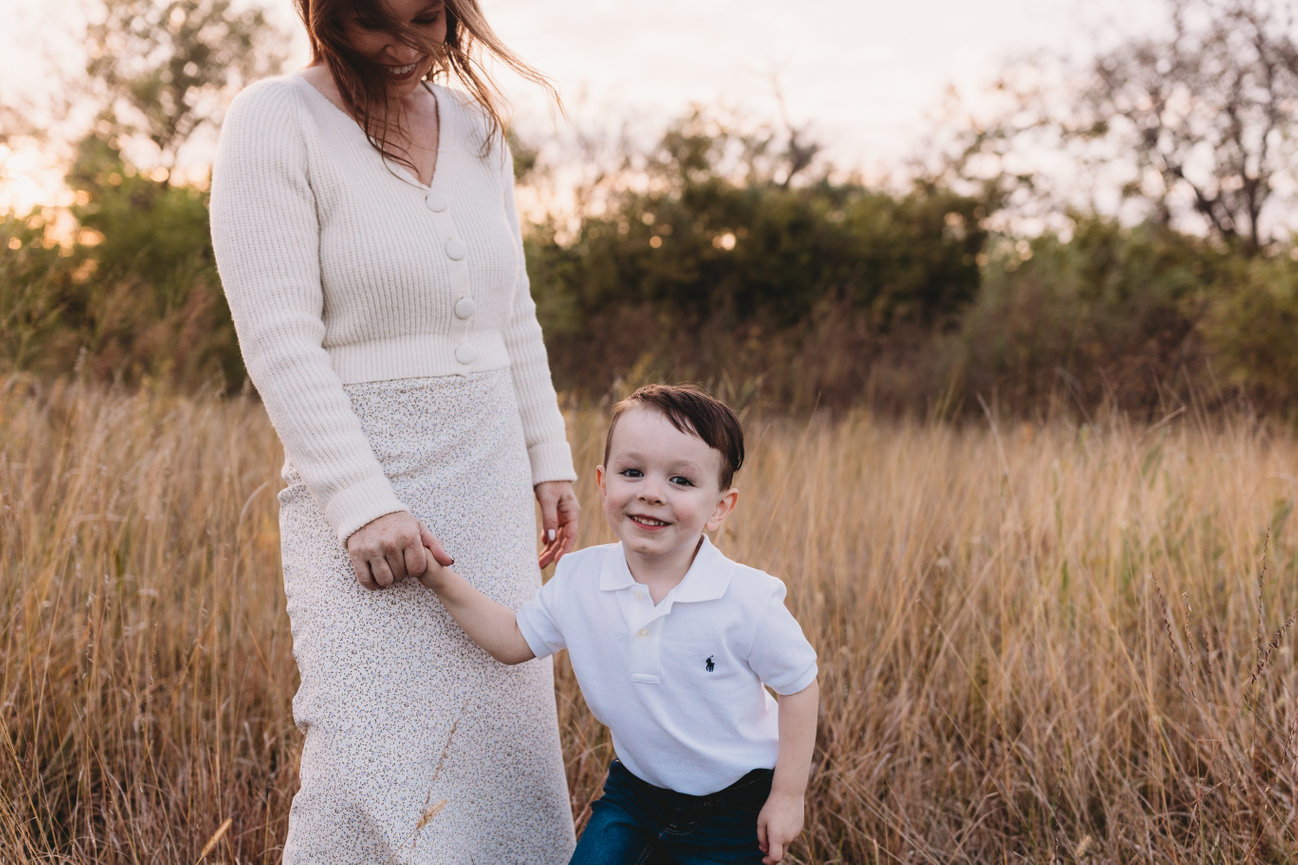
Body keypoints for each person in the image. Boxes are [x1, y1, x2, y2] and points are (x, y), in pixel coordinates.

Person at [208, 0, 580, 861]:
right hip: (364, 479)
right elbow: (278, 337)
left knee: (502, 747)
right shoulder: (275, 120)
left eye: (430, 17)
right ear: (325, 13)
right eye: (377, 19)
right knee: (369, 754)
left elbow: (511, 314)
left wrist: (546, 456)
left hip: (488, 478)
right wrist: (363, 502)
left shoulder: (478, 129)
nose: (407, 45)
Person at [420, 384, 820, 865]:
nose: (651, 492)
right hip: (635, 793)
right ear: (603, 482)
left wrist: (788, 795)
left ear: (720, 507)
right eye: (632, 472)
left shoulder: (746, 600)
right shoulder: (579, 580)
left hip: (733, 800)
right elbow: (511, 639)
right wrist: (437, 579)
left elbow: (799, 685)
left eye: (681, 481)